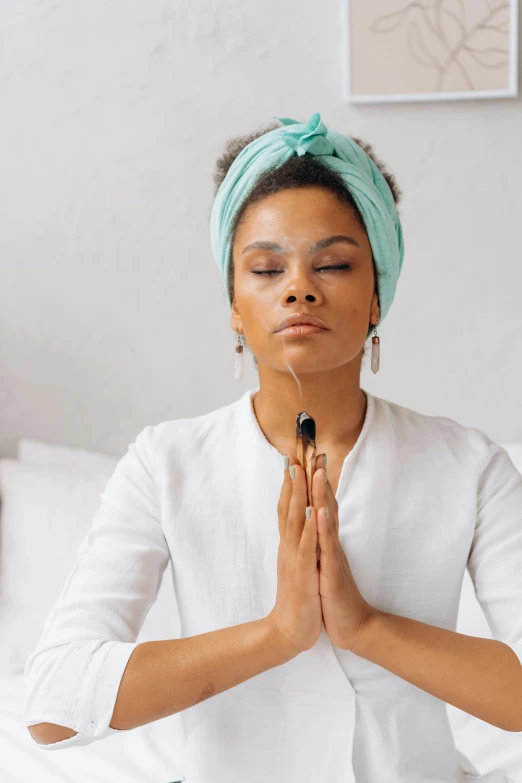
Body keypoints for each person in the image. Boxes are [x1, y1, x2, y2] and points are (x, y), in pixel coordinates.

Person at [23, 113, 522, 782]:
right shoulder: (163, 464)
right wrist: (278, 632)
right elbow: (53, 703)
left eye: (335, 263)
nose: (299, 287)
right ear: (233, 302)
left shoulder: (470, 465)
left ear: (377, 296)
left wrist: (364, 625)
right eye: (266, 267)